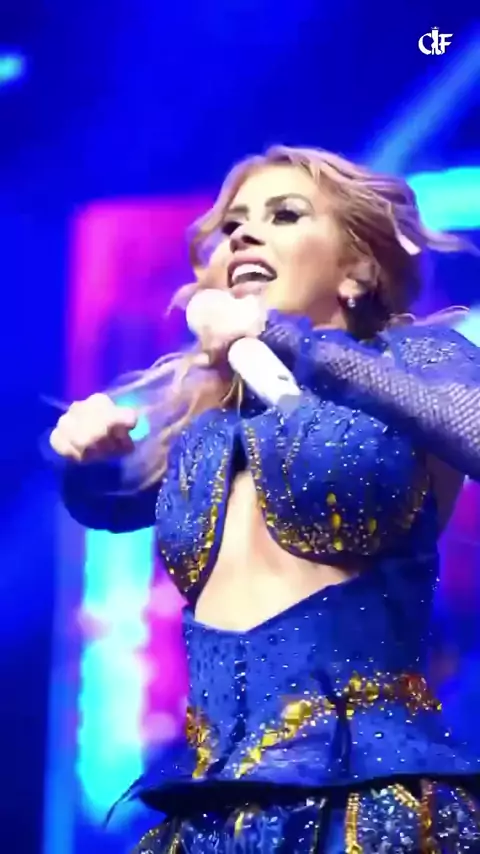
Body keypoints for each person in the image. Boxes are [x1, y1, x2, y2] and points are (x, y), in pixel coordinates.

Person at [50, 146, 480, 853]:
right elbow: (111, 503)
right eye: (232, 226)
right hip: (211, 810)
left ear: (357, 270)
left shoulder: (418, 364)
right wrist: (89, 458)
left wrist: (282, 340)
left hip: (370, 805)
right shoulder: (205, 425)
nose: (244, 234)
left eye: (284, 215)